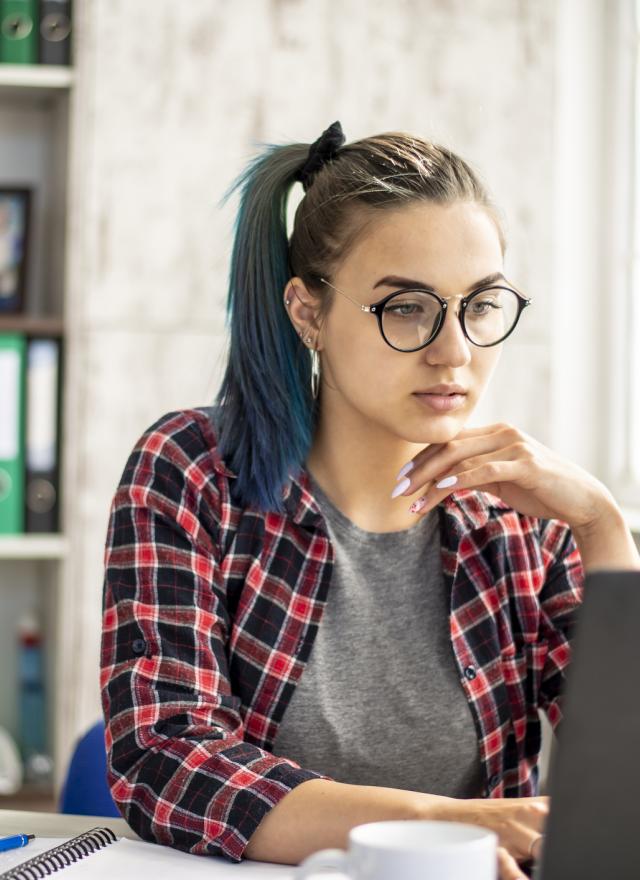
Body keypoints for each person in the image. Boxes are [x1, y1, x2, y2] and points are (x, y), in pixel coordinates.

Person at [100, 121, 640, 880]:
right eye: (408, 307)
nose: (453, 350)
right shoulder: (194, 470)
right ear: (308, 313)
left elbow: (623, 786)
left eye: (480, 306)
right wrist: (449, 827)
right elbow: (166, 761)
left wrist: (602, 524)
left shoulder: (526, 522)